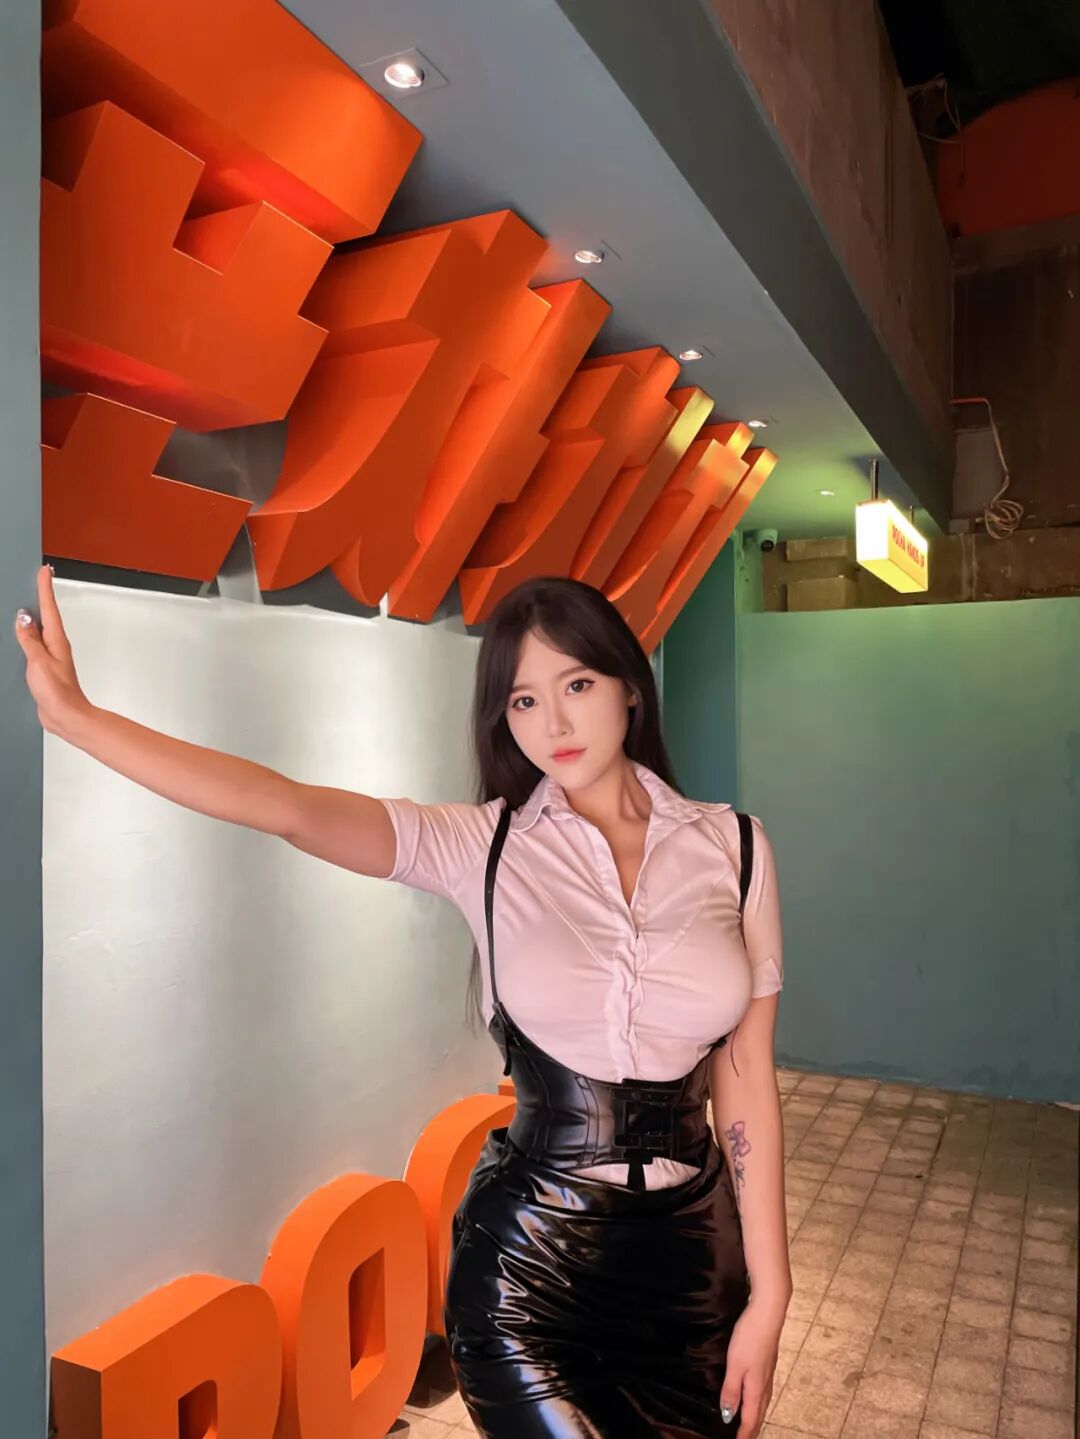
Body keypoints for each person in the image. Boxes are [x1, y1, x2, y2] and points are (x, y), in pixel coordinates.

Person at [15, 566, 791, 1438]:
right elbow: (288, 807)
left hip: (695, 1269)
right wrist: (80, 720)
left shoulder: (736, 848)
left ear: (628, 687)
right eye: (524, 700)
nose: (555, 723)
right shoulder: (481, 846)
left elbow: (745, 1077)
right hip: (531, 1275)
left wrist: (771, 1289)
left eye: (576, 684)